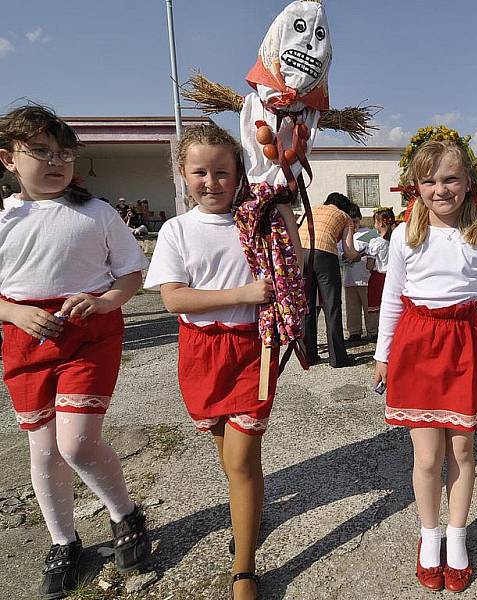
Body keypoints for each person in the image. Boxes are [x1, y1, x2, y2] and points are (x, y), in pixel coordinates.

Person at [0, 104, 151, 598]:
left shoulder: (98, 212)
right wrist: (14, 312)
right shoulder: (3, 218)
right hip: (25, 338)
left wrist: (105, 300)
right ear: (7, 159)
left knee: (76, 442)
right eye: (39, 151)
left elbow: (131, 273)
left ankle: (124, 512)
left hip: (88, 334)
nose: (55, 160)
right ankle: (64, 541)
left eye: (64, 152)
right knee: (42, 450)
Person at [372, 139, 477, 593]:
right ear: (415, 187)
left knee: (462, 451)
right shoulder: (403, 235)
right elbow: (391, 300)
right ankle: (429, 535)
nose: (440, 189)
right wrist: (383, 354)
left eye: (450, 179)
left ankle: (457, 535)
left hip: (465, 344)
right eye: (429, 180)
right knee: (427, 456)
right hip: (417, 346)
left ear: (468, 182)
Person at [144, 123, 279, 600]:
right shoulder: (175, 230)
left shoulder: (257, 222)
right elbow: (173, 300)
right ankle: (249, 515)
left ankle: (243, 568)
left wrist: (281, 205)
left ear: (239, 172)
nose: (212, 181)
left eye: (222, 171)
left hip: (250, 350)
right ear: (183, 174)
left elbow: (293, 266)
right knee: (231, 459)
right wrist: (243, 292)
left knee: (241, 459)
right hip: (200, 353)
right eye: (200, 171)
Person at [299, 192, 359, 367]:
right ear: (343, 206)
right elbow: (348, 251)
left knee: (308, 305)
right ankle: (338, 358)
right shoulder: (344, 216)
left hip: (301, 252)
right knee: (331, 306)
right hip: (324, 254)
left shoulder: (312, 209)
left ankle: (309, 355)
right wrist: (357, 257)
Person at [341, 204, 376, 342]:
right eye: (350, 222)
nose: (353, 225)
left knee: (369, 307)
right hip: (349, 279)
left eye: (355, 221)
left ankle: (373, 330)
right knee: (352, 307)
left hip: (365, 277)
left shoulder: (370, 233)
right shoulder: (343, 236)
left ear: (360, 219)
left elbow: (373, 250)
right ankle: (354, 331)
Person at [364, 207, 395, 319]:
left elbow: (369, 265)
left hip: (378, 277)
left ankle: (376, 331)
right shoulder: (395, 240)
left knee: (378, 307)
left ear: (380, 223)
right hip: (392, 277)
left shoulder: (376, 242)